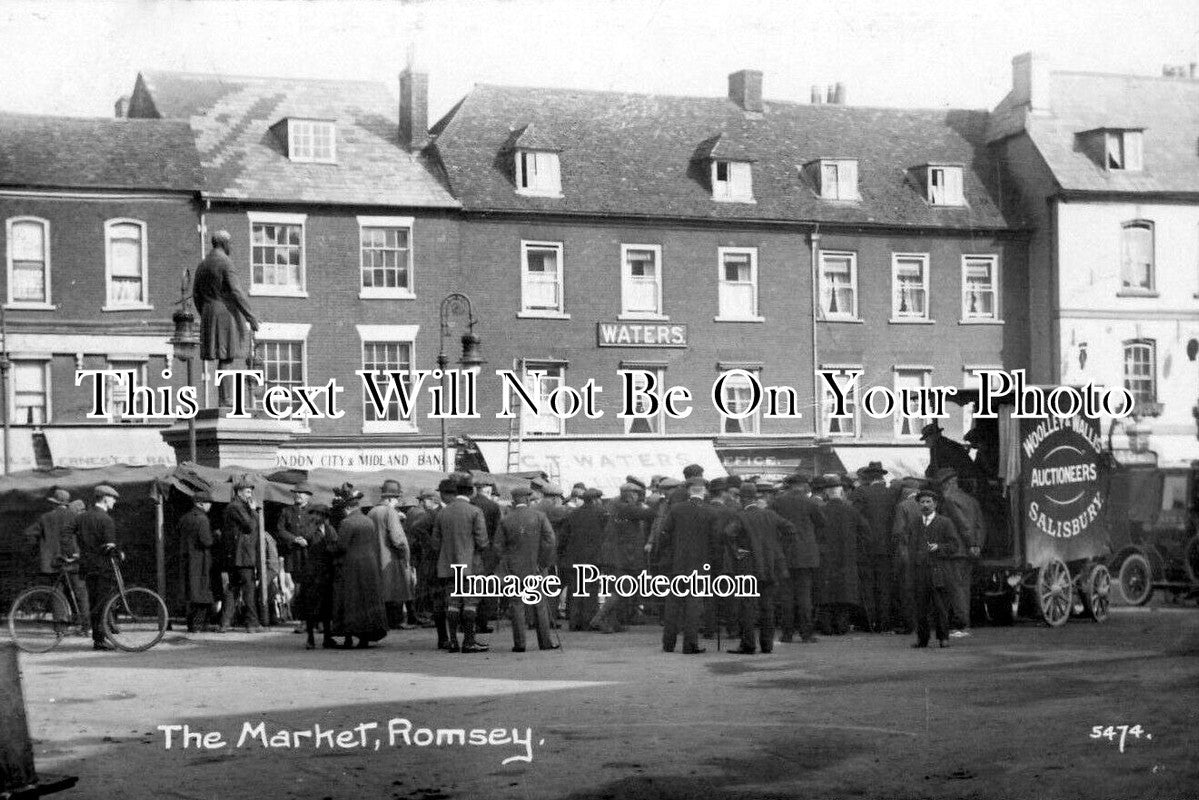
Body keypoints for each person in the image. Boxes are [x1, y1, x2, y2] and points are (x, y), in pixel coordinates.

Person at [193, 230, 258, 408]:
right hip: (225, 313)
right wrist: (250, 316)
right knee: (226, 358)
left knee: (222, 358)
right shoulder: (225, 263)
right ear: (224, 244)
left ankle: (225, 398)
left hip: (208, 312)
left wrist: (206, 313)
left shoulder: (202, 265)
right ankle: (226, 399)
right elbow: (236, 291)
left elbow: (196, 295)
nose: (231, 247)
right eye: (230, 243)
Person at [724, 483, 792, 654]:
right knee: (767, 607)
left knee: (747, 606)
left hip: (747, 567)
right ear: (755, 497)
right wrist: (778, 547)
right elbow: (790, 528)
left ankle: (748, 644)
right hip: (769, 566)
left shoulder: (741, 516)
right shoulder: (770, 514)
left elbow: (727, 533)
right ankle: (767, 645)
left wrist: (737, 551)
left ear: (742, 498)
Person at [655, 477, 715, 654]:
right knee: (693, 605)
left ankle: (668, 643)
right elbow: (715, 540)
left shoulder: (676, 509)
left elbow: (664, 535)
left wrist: (667, 554)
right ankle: (690, 645)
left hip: (677, 564)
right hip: (700, 565)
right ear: (704, 491)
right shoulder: (710, 512)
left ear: (688, 491)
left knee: (672, 604)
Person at [495, 486, 558, 652]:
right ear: (528, 499)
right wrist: (542, 562)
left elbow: (498, 547)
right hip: (536, 568)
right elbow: (550, 540)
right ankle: (545, 642)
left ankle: (519, 644)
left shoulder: (506, 520)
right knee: (540, 604)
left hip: (513, 570)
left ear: (514, 500)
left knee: (516, 605)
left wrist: (507, 563)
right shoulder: (539, 516)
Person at [432, 474, 490, 653]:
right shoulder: (475, 511)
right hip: (471, 566)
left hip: (448, 566)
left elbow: (435, 542)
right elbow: (482, 541)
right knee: (471, 603)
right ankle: (469, 641)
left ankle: (453, 642)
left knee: (452, 603)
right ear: (471, 491)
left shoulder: (443, 512)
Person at [590, 481, 656, 633]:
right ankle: (598, 619)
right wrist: (656, 502)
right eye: (636, 494)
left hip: (614, 557)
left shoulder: (615, 506)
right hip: (619, 558)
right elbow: (649, 514)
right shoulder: (624, 507)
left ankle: (612, 623)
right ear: (630, 495)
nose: (637, 497)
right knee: (621, 590)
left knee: (619, 589)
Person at [24, 488, 89, 634]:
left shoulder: (45, 518)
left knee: (57, 594)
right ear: (66, 503)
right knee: (81, 594)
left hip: (53, 563)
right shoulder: (75, 516)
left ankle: (60, 629)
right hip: (73, 561)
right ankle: (86, 627)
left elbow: (29, 534)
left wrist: (39, 548)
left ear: (54, 503)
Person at [769, 472, 823, 643]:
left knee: (786, 596)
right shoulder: (811, 502)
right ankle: (806, 633)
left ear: (789, 485)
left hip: (784, 554)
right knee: (804, 595)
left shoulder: (777, 502)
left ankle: (787, 633)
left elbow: (772, 524)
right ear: (804, 485)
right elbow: (822, 523)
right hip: (806, 555)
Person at [812, 474, 869, 635]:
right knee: (844, 594)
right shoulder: (851, 511)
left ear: (826, 493)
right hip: (847, 558)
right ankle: (841, 626)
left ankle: (827, 627)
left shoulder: (820, 510)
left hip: (825, 558)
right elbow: (865, 532)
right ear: (841, 492)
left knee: (826, 593)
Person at [332, 489, 388, 648]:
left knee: (351, 600)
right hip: (369, 565)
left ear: (345, 508)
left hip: (352, 565)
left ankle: (348, 637)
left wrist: (330, 547)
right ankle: (364, 638)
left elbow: (341, 546)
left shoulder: (347, 523)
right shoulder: (368, 520)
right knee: (367, 599)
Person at [850, 461, 902, 633]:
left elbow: (855, 519)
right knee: (885, 586)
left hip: (866, 548)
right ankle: (885, 622)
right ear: (882, 476)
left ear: (867, 477)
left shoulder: (861, 492)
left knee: (868, 585)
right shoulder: (892, 494)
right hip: (887, 548)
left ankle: (870, 622)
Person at [906, 488, 961, 648]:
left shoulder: (945, 522)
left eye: (928, 502)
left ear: (935, 504)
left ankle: (943, 638)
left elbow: (954, 545)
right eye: (922, 502)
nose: (925, 505)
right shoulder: (915, 523)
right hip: (920, 571)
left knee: (940, 607)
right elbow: (911, 545)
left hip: (939, 571)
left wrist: (939, 547)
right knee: (921, 607)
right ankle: (922, 639)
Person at [936, 468, 984, 639]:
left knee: (956, 589)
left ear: (948, 484)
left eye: (942, 486)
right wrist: (977, 545)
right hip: (969, 551)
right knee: (964, 588)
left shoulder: (949, 500)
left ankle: (961, 625)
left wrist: (970, 543)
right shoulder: (971, 500)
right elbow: (979, 525)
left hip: (956, 551)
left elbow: (962, 524)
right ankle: (965, 623)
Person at [74, 485, 121, 651]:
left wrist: (72, 552)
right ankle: (100, 640)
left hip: (87, 566)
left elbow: (66, 532)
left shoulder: (82, 517)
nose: (114, 501)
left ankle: (98, 638)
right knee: (102, 603)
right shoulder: (106, 519)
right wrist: (119, 553)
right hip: (102, 567)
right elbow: (109, 545)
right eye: (113, 498)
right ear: (106, 498)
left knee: (94, 601)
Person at [558, 487, 608, 630]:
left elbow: (563, 537)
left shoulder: (573, 514)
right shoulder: (602, 513)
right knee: (591, 591)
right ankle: (588, 622)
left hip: (573, 559)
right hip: (593, 559)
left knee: (575, 590)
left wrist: (561, 555)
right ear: (594, 499)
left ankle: (574, 623)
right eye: (599, 499)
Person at [219, 478, 264, 633]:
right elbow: (250, 526)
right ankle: (252, 623)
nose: (250, 495)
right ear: (239, 492)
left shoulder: (235, 506)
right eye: (247, 492)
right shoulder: (237, 507)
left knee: (233, 590)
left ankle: (225, 623)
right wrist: (253, 510)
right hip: (243, 557)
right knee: (248, 591)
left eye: (251, 492)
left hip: (236, 557)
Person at [370, 479, 414, 630]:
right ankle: (396, 621)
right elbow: (397, 538)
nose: (397, 502)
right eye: (396, 499)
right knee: (396, 590)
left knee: (382, 591)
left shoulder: (372, 511)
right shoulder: (390, 512)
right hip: (392, 557)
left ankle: (385, 621)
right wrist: (404, 554)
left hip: (376, 556)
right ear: (389, 498)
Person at [275, 482, 315, 633]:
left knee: (313, 589)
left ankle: (316, 622)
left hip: (312, 554)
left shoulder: (315, 511)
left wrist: (307, 539)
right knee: (298, 588)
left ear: (309, 495)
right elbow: (280, 529)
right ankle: (303, 621)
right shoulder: (286, 511)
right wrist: (294, 539)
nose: (298, 495)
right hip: (295, 556)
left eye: (302, 492)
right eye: (296, 492)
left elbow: (319, 528)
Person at [889, 477, 924, 635]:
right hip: (924, 553)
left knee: (907, 590)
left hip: (907, 553)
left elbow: (898, 531)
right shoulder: (927, 504)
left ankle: (909, 625)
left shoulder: (903, 506)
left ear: (906, 490)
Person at [303, 503, 339, 649]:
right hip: (312, 573)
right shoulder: (310, 529)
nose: (317, 517)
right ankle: (310, 638)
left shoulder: (330, 529)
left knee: (327, 606)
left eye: (320, 515)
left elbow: (335, 544)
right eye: (315, 514)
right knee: (311, 606)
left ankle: (327, 637)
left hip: (327, 572)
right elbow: (307, 538)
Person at [470, 474, 502, 634]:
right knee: (486, 589)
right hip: (487, 553)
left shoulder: (469, 503)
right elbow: (498, 533)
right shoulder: (494, 507)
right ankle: (482, 623)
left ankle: (467, 622)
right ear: (488, 490)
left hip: (469, 552)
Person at [180, 491, 216, 633]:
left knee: (191, 594)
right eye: (208, 503)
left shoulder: (185, 518)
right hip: (201, 561)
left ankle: (191, 625)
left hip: (188, 560)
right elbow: (206, 541)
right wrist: (215, 536)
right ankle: (198, 626)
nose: (210, 505)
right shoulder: (202, 519)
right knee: (202, 594)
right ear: (200, 503)